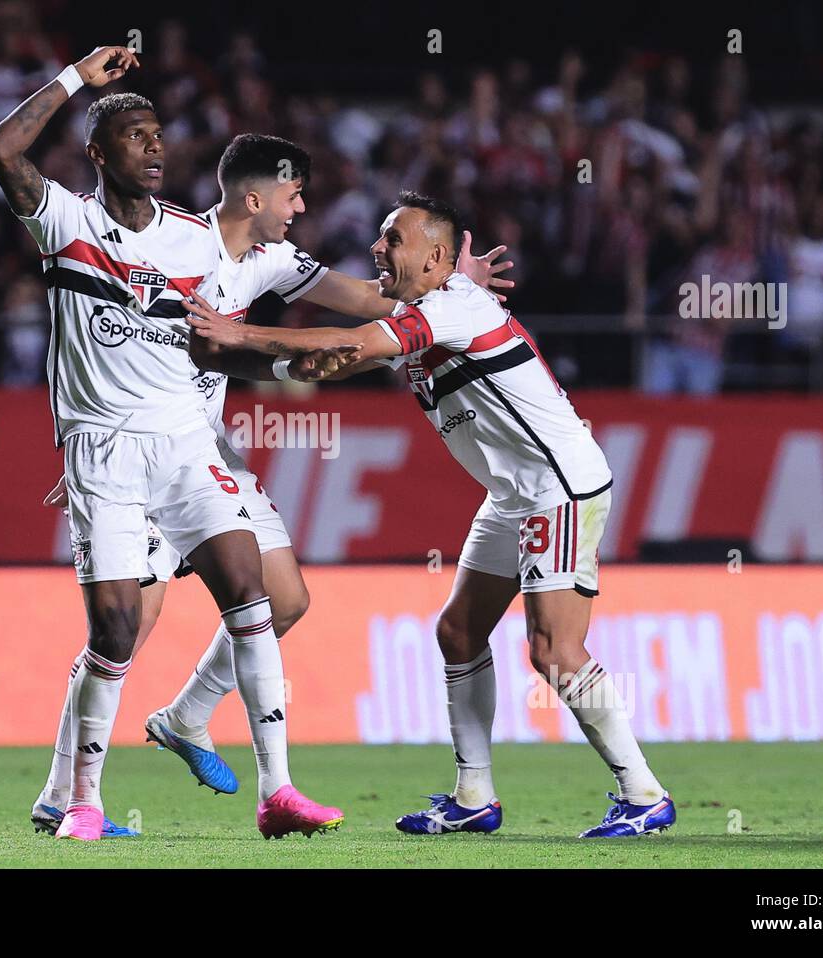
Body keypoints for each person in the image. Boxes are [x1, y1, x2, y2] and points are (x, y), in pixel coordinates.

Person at [31, 133, 513, 834]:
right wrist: (88, 450)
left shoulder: (272, 262)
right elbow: (93, 335)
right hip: (142, 457)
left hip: (202, 459)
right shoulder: (167, 245)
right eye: (293, 194)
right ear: (253, 198)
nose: (302, 207)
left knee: (282, 597)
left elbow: (369, 301)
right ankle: (63, 791)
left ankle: (188, 719)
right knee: (125, 630)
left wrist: (453, 285)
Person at [186, 191, 675, 838]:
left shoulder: (452, 308)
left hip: (557, 486)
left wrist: (241, 333)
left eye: (394, 240)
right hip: (513, 493)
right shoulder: (433, 304)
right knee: (459, 636)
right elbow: (346, 341)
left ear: (436, 256)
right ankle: (474, 794)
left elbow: (357, 339)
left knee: (556, 650)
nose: (377, 248)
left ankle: (643, 793)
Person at [0, 45, 343, 841]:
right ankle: (79, 799)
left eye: (158, 135)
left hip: (185, 444)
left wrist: (291, 357)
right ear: (98, 152)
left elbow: (214, 341)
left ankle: (277, 790)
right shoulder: (64, 221)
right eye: (135, 135)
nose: (153, 147)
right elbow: (2, 151)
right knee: (115, 630)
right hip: (104, 452)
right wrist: (78, 79)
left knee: (252, 589)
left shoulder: (196, 241)